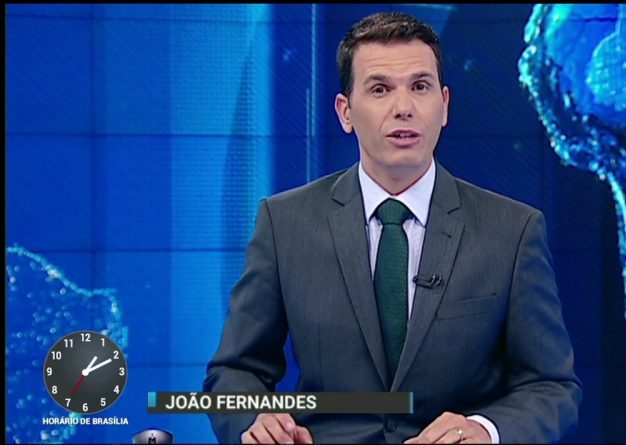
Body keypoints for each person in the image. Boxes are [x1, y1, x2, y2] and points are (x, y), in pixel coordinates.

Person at [204, 11, 581, 444]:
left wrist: (485, 430)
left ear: (444, 105)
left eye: (420, 87)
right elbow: (234, 372)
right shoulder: (285, 223)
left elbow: (552, 387)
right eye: (380, 89)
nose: (404, 107)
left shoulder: (512, 231)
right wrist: (255, 420)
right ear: (345, 112)